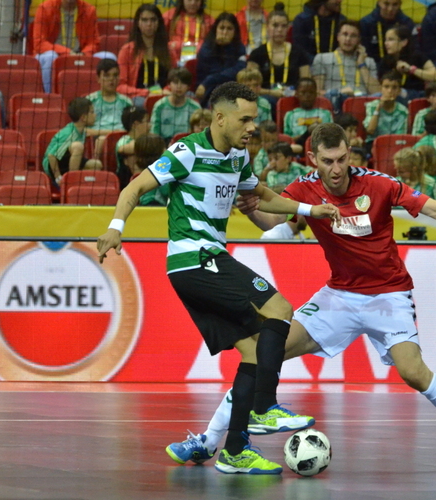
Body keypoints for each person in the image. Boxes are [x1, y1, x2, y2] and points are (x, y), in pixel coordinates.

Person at [166, 121, 436, 471]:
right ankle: (208, 441)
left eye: (342, 159)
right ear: (312, 159)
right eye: (328, 161)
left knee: (414, 372)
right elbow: (273, 225)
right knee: (264, 354)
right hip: (339, 297)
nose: (336, 169)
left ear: (350, 154)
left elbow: (433, 207)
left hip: (389, 295)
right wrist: (252, 209)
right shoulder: (304, 189)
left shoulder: (378, 184)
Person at [98, 82, 341, 474]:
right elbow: (135, 186)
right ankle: (265, 407)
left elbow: (263, 195)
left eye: (254, 120)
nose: (252, 127)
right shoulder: (188, 151)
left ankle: (235, 451)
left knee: (253, 351)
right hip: (195, 258)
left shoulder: (239, 156)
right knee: (280, 309)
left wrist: (311, 211)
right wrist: (115, 227)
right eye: (244, 120)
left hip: (205, 263)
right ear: (220, 118)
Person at [32, 0, 112, 93]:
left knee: (109, 57)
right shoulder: (45, 8)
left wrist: (84, 54)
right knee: (50, 56)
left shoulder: (89, 10)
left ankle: (106, 98)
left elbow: (94, 42)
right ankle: (49, 97)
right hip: (54, 55)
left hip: (80, 54)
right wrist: (67, 52)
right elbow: (39, 43)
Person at [246, 5, 312, 99]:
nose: (280, 30)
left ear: (288, 28)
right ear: (267, 27)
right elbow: (249, 88)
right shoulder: (257, 54)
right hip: (264, 99)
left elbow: (307, 85)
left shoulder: (299, 53)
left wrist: (292, 93)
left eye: (284, 26)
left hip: (293, 99)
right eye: (275, 25)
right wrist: (272, 92)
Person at [312, 20, 380, 110]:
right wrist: (340, 92)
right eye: (345, 34)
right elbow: (316, 93)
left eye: (353, 36)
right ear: (338, 37)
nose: (348, 39)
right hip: (334, 104)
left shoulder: (369, 62)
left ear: (359, 40)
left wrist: (361, 64)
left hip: (361, 105)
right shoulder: (322, 58)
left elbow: (376, 92)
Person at [117, 4, 171, 108]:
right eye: (144, 20)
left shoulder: (168, 50)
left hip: (164, 96)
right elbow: (120, 86)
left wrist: (165, 91)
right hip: (138, 97)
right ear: (138, 23)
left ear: (159, 23)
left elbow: (174, 79)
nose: (149, 24)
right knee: (139, 103)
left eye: (153, 20)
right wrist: (147, 93)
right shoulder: (127, 50)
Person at [43, 97, 103, 188]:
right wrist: (57, 177)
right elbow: (51, 156)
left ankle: (82, 188)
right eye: (92, 112)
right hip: (54, 166)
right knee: (78, 146)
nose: (95, 115)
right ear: (83, 117)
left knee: (96, 165)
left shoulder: (82, 131)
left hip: (68, 161)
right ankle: (71, 182)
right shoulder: (69, 133)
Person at [87, 59, 133, 159]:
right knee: (101, 140)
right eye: (107, 75)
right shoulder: (89, 101)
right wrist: (108, 133)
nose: (111, 79)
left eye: (115, 75)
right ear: (98, 78)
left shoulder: (126, 102)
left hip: (122, 140)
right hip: (96, 140)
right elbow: (82, 130)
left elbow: (133, 129)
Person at [195, 13, 247, 101]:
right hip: (208, 88)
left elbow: (238, 70)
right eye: (222, 28)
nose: (225, 32)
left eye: (229, 29)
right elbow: (215, 70)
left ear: (235, 31)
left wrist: (227, 48)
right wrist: (221, 47)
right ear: (216, 29)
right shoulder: (207, 47)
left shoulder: (240, 47)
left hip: (231, 87)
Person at [380, 25, 436, 100]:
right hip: (393, 93)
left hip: (415, 95)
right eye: (386, 40)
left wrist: (411, 69)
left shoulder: (417, 56)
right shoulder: (385, 60)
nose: (386, 43)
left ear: (404, 42)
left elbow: (435, 76)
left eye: (391, 40)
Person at [359, 0, 415, 69]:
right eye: (386, 4)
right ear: (379, 2)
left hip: (401, 67)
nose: (390, 9)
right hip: (373, 67)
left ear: (400, 4)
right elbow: (364, 52)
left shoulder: (407, 23)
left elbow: (414, 50)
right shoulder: (366, 23)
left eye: (395, 4)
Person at [149, 67, 201, 141]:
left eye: (183, 83)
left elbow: (199, 135)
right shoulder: (159, 106)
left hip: (187, 143)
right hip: (163, 144)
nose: (179, 86)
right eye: (175, 82)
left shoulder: (195, 107)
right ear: (169, 84)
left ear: (189, 86)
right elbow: (154, 134)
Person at [165, 0, 214, 67]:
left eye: (197, 0)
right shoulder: (170, 16)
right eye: (189, 0)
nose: (193, 3)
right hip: (173, 64)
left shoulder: (209, 21)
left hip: (199, 65)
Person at [363, 71, 409, 142]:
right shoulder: (372, 106)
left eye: (394, 87)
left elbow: (400, 136)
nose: (390, 91)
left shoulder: (403, 111)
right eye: (386, 87)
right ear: (381, 89)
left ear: (399, 91)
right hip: (373, 142)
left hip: (394, 144)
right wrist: (378, 108)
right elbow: (370, 130)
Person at [132, 133, 171, 206]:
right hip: (155, 204)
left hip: (144, 205)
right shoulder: (159, 171)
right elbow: (166, 192)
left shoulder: (146, 171)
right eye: (164, 148)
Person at [116, 105, 150, 188]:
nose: (150, 125)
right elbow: (122, 149)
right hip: (126, 181)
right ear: (135, 124)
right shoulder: (124, 140)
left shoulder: (148, 139)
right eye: (147, 121)